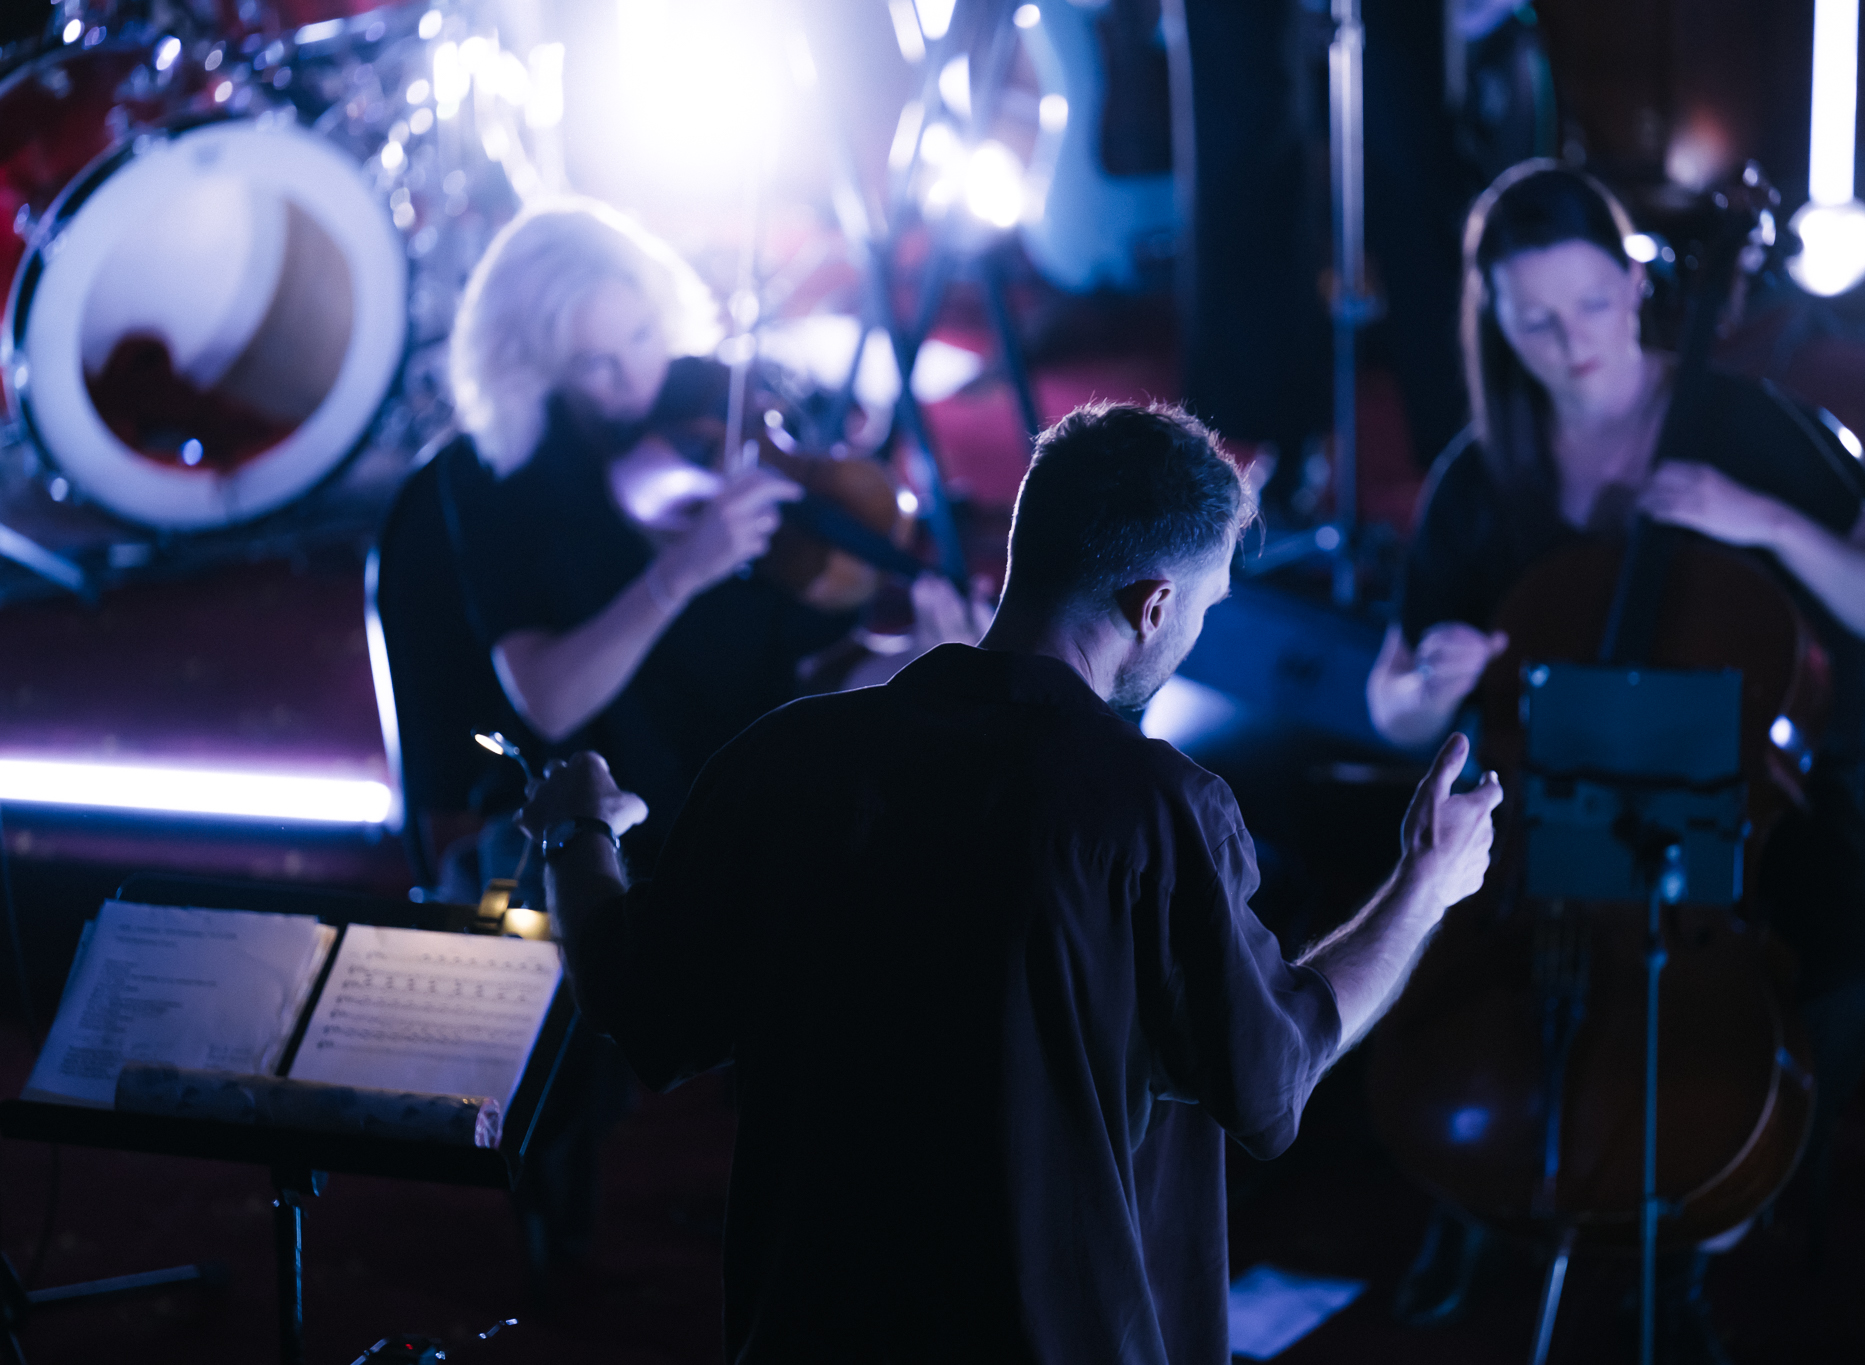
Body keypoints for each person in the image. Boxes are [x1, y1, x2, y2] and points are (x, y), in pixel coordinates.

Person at [521, 401, 1502, 1362]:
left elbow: (636, 1001)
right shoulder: (1156, 809)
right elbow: (1269, 1075)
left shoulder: (784, 756)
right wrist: (1424, 883)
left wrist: (577, 831)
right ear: (1154, 606)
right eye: (1204, 607)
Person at [1365, 161, 1865, 1355]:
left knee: (1842, 980)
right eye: (1531, 319)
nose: (1567, 342)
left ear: (1632, 286)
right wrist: (1423, 688)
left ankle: (1697, 1231)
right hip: (1539, 808)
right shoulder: (1482, 471)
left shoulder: (1739, 425)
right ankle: (1476, 1200)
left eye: (1587, 304)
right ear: (1492, 321)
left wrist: (1759, 518)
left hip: (1732, 797)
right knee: (1422, 964)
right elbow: (1393, 708)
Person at [439, 199, 983, 1281]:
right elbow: (548, 696)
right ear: (531, 366)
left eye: (642, 335)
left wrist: (920, 658)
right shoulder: (496, 476)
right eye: (593, 363)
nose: (633, 380)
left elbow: (810, 684)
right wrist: (680, 572)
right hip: (584, 799)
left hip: (745, 779)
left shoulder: (719, 414)